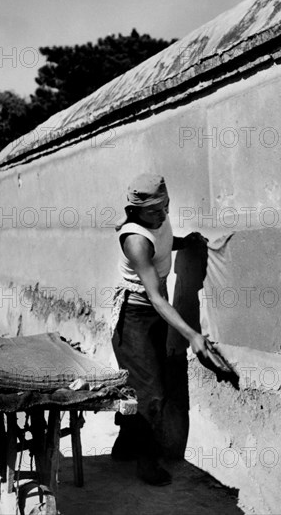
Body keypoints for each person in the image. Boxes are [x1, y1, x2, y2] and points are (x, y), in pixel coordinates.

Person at [111, 173, 209, 486]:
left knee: (141, 386)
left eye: (165, 206)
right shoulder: (136, 240)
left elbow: (164, 243)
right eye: (153, 210)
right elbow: (155, 296)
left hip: (152, 316)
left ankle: (125, 444)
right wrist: (192, 334)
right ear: (135, 210)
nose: (162, 214)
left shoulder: (158, 218)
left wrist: (186, 241)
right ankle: (146, 462)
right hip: (134, 318)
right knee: (151, 393)